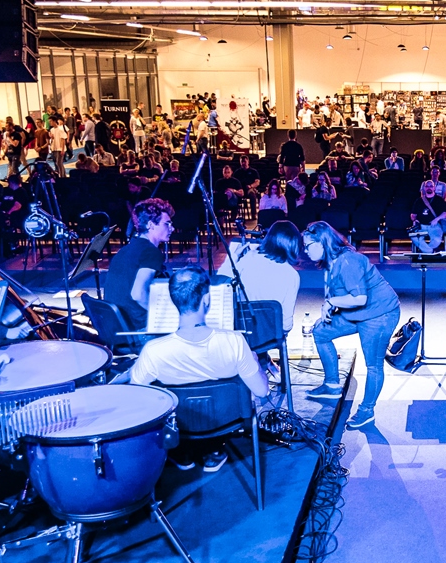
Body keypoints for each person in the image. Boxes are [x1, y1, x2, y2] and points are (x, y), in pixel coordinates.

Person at [122, 266, 273, 472]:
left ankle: (182, 450)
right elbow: (262, 391)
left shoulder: (153, 351)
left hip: (180, 426)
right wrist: (255, 363)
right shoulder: (235, 341)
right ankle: (213, 448)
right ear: (207, 299)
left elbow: (137, 395)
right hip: (227, 421)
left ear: (174, 300)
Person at [302, 220, 400, 430]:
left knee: (373, 365)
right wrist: (331, 306)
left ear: (322, 242)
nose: (305, 250)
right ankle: (331, 385)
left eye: (308, 245)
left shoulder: (348, 261)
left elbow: (359, 298)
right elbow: (341, 293)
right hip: (358, 313)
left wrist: (331, 303)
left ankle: (367, 411)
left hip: (380, 314)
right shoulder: (332, 261)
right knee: (320, 332)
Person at [99, 197, 173, 330]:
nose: (172, 228)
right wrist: (164, 316)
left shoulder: (125, 249)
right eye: (167, 224)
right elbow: (138, 294)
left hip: (116, 326)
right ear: (150, 225)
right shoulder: (151, 252)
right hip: (137, 327)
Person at [218, 220, 303, 328]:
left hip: (241, 329)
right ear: (294, 245)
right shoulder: (292, 275)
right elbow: (286, 323)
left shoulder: (249, 258)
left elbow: (220, 281)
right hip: (270, 332)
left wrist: (234, 257)